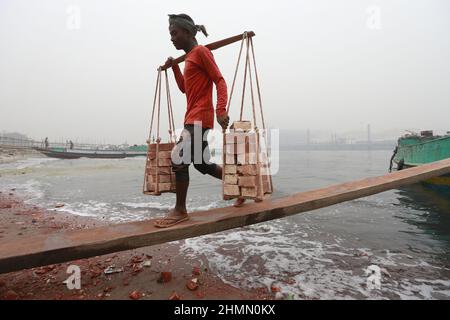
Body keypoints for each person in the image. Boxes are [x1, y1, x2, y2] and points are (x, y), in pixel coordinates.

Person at [154, 14, 232, 228]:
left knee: (178, 158)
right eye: (170, 34)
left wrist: (221, 109)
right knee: (202, 164)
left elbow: (220, 80)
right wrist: (175, 68)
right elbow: (184, 89)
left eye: (174, 33)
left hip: (200, 117)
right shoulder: (190, 58)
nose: (171, 38)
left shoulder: (201, 52)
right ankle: (238, 187)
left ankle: (180, 210)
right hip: (193, 116)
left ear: (187, 32)